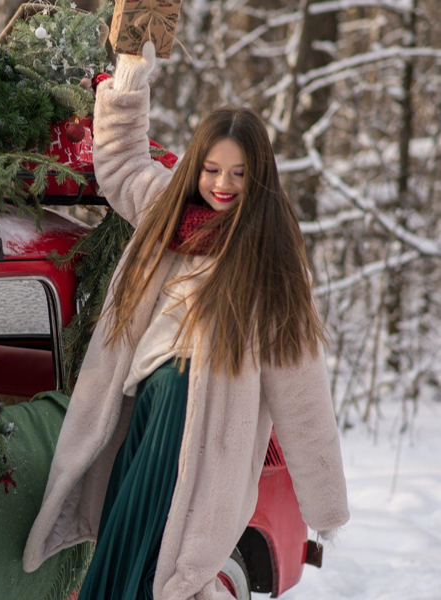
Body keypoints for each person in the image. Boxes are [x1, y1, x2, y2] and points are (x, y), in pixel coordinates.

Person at [23, 42, 350, 600]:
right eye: (212, 168)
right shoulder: (165, 211)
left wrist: (325, 503)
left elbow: (300, 385)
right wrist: (129, 82)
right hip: (148, 412)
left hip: (200, 442)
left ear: (260, 177)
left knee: (157, 563)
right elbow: (121, 161)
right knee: (126, 543)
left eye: (239, 174)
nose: (222, 184)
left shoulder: (270, 259)